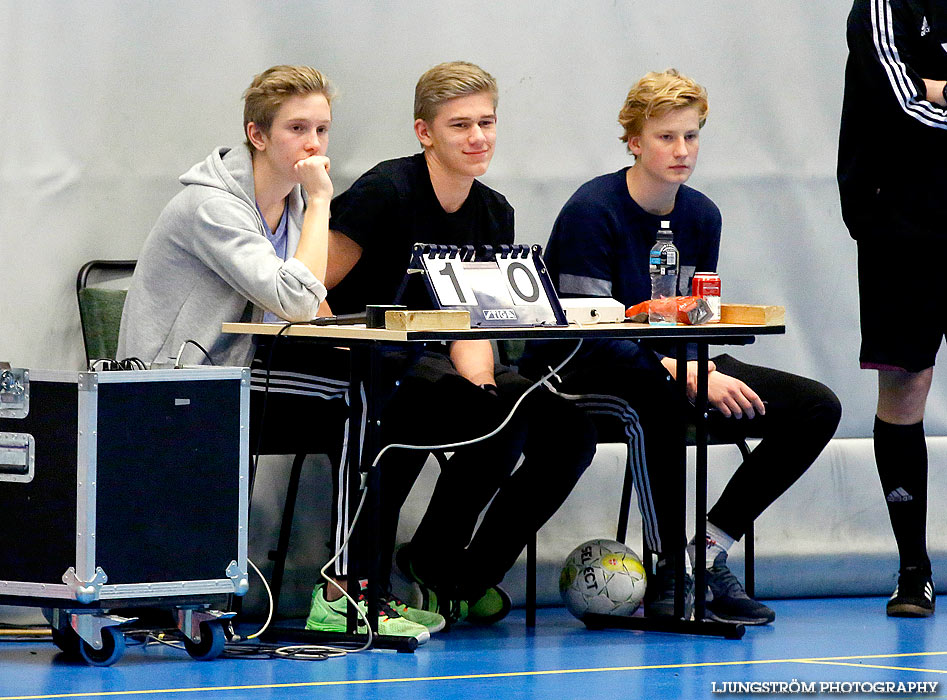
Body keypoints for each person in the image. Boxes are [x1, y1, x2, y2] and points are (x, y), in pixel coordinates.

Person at [117, 66, 433, 643]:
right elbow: (296, 298)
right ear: (257, 136)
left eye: (322, 130)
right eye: (297, 129)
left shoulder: (284, 210)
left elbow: (302, 304)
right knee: (357, 399)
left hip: (238, 375)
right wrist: (321, 202)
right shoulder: (211, 207)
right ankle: (344, 592)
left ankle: (355, 585)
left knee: (379, 392)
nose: (313, 145)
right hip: (175, 386)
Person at [522, 69, 841, 625]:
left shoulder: (701, 215)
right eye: (666, 137)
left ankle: (704, 552)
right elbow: (583, 336)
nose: (681, 150)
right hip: (586, 373)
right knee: (660, 401)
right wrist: (679, 371)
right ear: (634, 141)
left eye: (691, 136)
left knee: (816, 405)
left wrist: (695, 365)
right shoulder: (591, 210)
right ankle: (668, 567)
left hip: (672, 364)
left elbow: (693, 316)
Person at [306, 61, 597, 628]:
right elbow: (310, 286)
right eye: (460, 125)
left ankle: (449, 571)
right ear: (425, 133)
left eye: (486, 122)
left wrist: (487, 388)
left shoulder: (493, 212)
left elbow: (472, 327)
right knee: (424, 406)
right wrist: (351, 354)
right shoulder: (384, 193)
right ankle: (352, 584)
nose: (478, 137)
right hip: (357, 361)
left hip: (431, 361)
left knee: (555, 425)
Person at [838, 0, 947, 617]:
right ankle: (913, 570)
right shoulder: (883, 3)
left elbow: (925, 94)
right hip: (901, 226)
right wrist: (926, 88)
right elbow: (901, 104)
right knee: (907, 385)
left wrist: (940, 84)